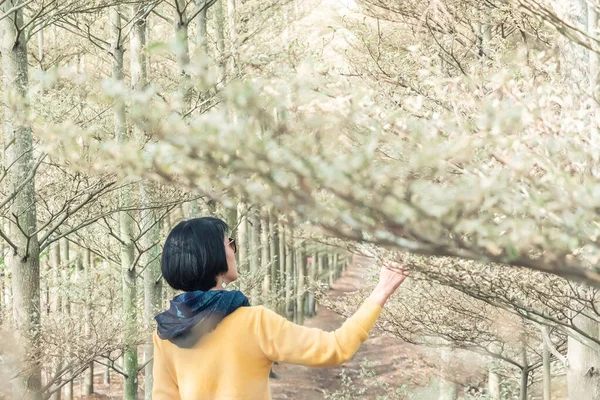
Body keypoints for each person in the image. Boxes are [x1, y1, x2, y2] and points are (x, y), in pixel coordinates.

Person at [153, 217, 408, 400]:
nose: (233, 249)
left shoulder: (166, 331)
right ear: (213, 256)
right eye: (228, 243)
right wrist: (380, 292)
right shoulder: (254, 322)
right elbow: (335, 348)